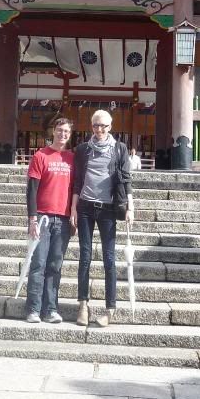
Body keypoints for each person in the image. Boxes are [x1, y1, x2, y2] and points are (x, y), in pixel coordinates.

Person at [70, 110, 134, 328]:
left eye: (104, 126)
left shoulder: (120, 149)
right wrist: (73, 208)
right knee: (85, 256)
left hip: (108, 209)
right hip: (86, 207)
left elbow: (126, 180)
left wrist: (130, 208)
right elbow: (77, 181)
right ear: (91, 125)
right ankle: (83, 304)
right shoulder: (82, 150)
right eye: (96, 125)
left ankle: (110, 309)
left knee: (109, 259)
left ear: (110, 126)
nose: (100, 129)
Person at [25, 117, 74, 323]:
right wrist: (32, 219)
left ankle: (51, 309)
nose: (63, 134)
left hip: (63, 219)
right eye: (60, 130)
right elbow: (32, 189)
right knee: (38, 264)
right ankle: (33, 309)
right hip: (43, 217)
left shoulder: (72, 158)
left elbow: (76, 190)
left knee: (55, 265)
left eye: (67, 132)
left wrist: (74, 215)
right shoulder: (40, 155)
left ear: (70, 135)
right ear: (53, 131)